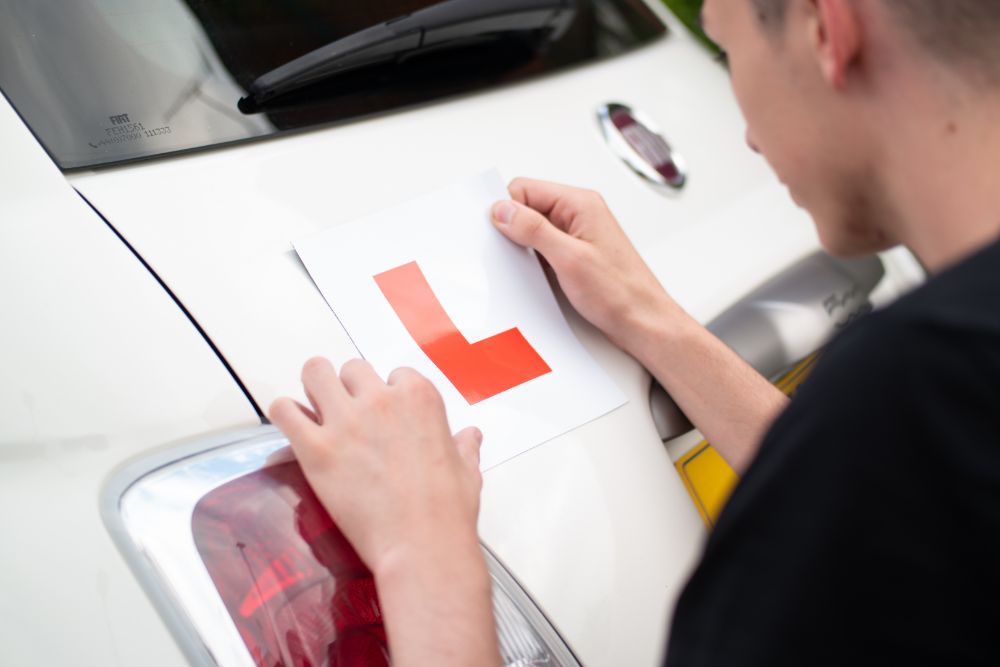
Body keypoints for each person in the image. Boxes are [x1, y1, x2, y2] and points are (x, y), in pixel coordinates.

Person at [269, 0, 1000, 664]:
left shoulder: (911, 387)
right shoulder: (941, 391)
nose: (741, 134)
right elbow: (896, 515)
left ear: (824, 31)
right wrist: (651, 321)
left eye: (724, 52)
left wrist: (421, 557)